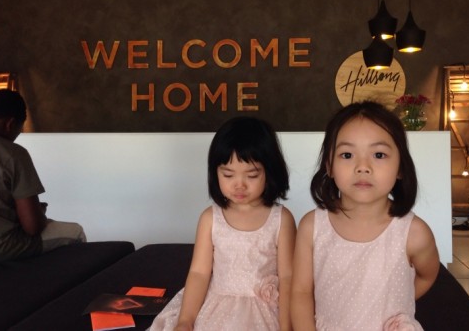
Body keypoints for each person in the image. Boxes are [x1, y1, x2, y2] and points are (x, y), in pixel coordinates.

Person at [291, 100, 440, 331]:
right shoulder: (312, 226)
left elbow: (427, 276)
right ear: (329, 165)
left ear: (400, 167)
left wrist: (398, 303)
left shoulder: (414, 233)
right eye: (347, 154)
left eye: (379, 154)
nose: (363, 166)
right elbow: (301, 291)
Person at [149, 116, 296, 331]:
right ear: (215, 172)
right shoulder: (210, 218)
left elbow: (288, 276)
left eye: (252, 175)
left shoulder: (282, 219)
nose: (239, 185)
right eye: (228, 175)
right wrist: (185, 320)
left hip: (266, 312)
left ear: (270, 172)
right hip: (216, 308)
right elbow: (199, 273)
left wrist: (287, 326)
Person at [0, 89, 86, 264]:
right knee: (75, 232)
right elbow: (32, 227)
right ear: (10, 124)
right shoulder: (13, 154)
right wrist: (38, 212)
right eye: (20, 129)